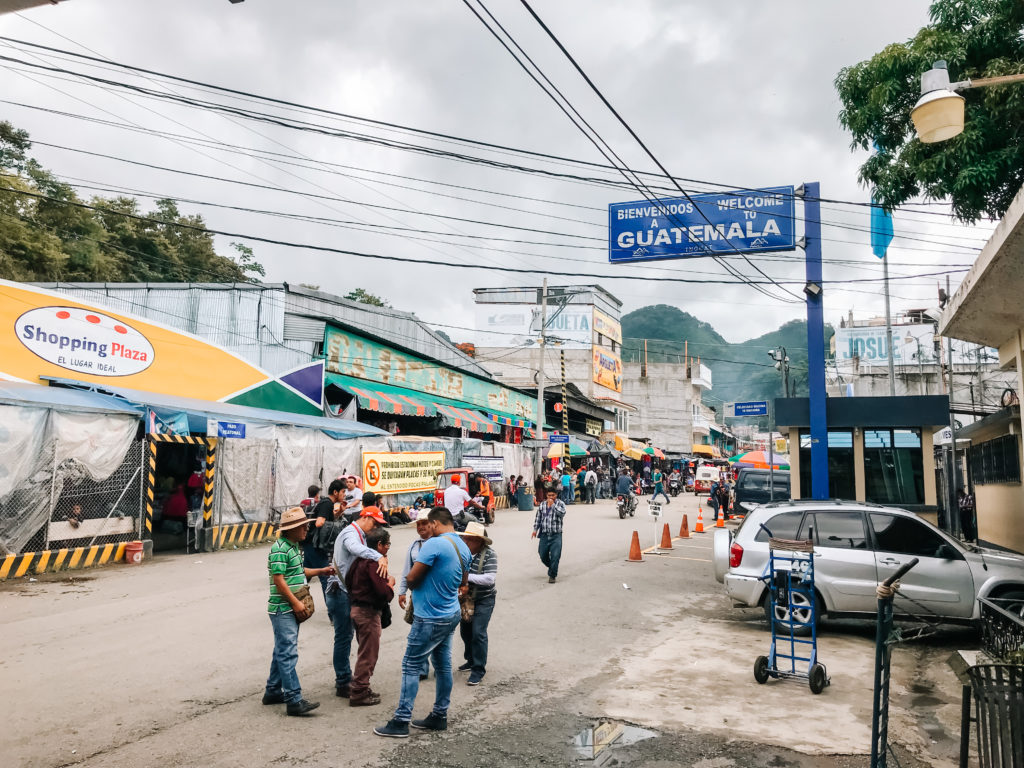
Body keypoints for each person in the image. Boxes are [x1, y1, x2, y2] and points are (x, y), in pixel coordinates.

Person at [374, 507, 471, 738]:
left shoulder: (434, 544)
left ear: (436, 524)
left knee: (410, 664)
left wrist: (415, 584)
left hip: (430, 616)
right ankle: (439, 715)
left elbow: (412, 578)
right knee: (443, 665)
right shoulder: (463, 546)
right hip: (450, 612)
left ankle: (401, 720)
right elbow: (463, 582)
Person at [263, 507, 334, 717]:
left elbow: (298, 572)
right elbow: (278, 580)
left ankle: (273, 690)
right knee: (288, 652)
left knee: (282, 650)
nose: (306, 529)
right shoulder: (280, 549)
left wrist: (321, 570)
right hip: (283, 608)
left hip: (287, 607)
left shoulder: (292, 547)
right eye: (303, 526)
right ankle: (293, 698)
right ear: (291, 529)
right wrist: (295, 603)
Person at [325, 500, 389, 700]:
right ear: (366, 517)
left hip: (346, 591)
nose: (376, 527)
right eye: (375, 523)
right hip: (340, 591)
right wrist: (377, 556)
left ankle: (348, 679)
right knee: (343, 638)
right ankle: (343, 682)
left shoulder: (361, 534)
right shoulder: (351, 534)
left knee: (348, 637)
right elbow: (354, 549)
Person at [346, 528, 396, 706]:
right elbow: (383, 593)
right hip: (368, 613)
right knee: (368, 655)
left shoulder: (358, 561)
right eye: (387, 544)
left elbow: (348, 582)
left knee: (365, 651)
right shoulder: (374, 564)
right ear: (380, 545)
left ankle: (361, 687)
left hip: (356, 610)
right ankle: (359, 692)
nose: (388, 548)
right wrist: (390, 584)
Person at [456, 521, 497, 686]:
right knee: (465, 632)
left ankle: (478, 669)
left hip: (484, 599)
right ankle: (471, 659)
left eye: (470, 540)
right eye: (465, 539)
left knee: (478, 632)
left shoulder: (490, 554)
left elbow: (489, 579)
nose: (466, 542)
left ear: (479, 541)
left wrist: (466, 579)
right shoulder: (461, 554)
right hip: (466, 600)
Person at [399, 516, 434, 680]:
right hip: (419, 595)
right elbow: (407, 569)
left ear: (432, 524)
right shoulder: (414, 546)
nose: (421, 527)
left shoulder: (440, 543)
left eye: (424, 524)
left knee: (435, 632)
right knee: (419, 631)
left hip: (436, 594)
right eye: (418, 524)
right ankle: (421, 668)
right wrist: (402, 591)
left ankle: (440, 666)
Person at [307, 479, 346, 609]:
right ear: (335, 492)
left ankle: (291, 603)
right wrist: (336, 527)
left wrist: (340, 512)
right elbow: (320, 523)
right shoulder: (327, 504)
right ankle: (332, 612)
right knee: (326, 577)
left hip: (310, 545)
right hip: (315, 546)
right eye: (343, 491)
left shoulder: (327, 504)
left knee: (302, 575)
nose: (344, 494)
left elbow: (327, 519)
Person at [532, 488, 566, 584]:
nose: (551, 497)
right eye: (549, 495)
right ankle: (552, 567)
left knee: (555, 556)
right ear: (546, 495)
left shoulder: (560, 504)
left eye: (553, 495)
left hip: (556, 534)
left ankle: (552, 575)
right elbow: (538, 518)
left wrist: (553, 505)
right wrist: (535, 530)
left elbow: (562, 514)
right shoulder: (542, 505)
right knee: (542, 555)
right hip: (545, 535)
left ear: (556, 495)